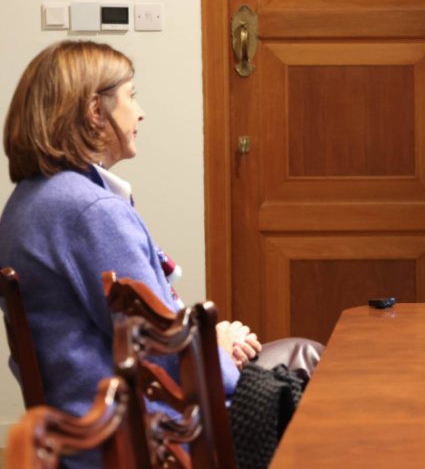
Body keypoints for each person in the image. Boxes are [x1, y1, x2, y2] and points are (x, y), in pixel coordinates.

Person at [0, 41, 321, 468]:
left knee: (298, 354)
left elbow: (145, 330)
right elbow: (163, 351)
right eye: (131, 96)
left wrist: (213, 343)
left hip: (80, 429)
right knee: (310, 361)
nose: (140, 112)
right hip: (144, 432)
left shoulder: (28, 202)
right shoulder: (90, 211)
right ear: (96, 111)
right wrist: (221, 350)